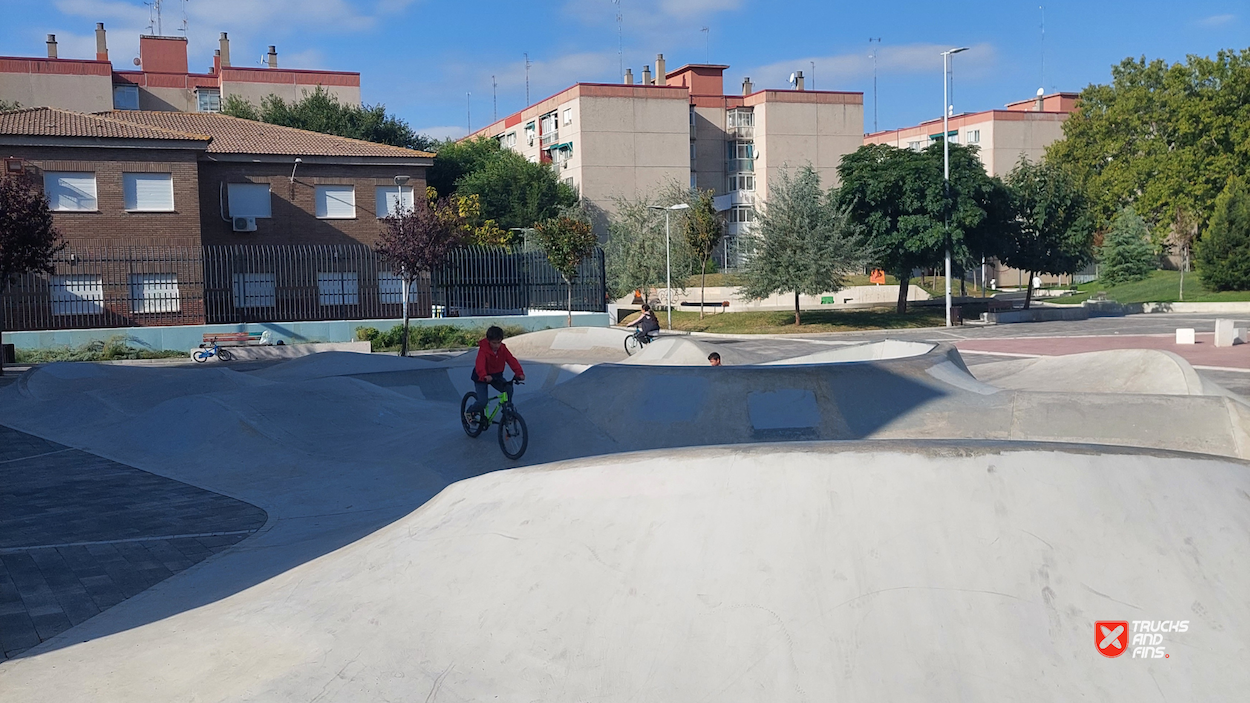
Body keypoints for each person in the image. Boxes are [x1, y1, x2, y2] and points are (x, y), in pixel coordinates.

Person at [465, 326, 525, 422]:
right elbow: (480, 364)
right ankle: (470, 412)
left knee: (508, 389)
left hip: (496, 376)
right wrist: (484, 375)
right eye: (494, 343)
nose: (496, 345)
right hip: (481, 377)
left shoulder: (503, 349)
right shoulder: (484, 350)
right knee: (483, 401)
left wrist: (519, 373)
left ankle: (507, 410)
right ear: (488, 341)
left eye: (499, 342)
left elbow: (511, 360)